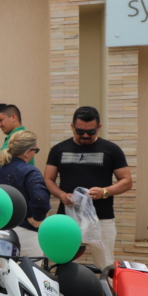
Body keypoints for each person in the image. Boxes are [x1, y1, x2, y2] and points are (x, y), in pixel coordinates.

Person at [44, 106, 132, 270]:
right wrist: (62, 195)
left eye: (91, 132)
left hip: (102, 218)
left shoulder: (111, 150)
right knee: (64, 263)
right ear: (72, 127)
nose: (85, 135)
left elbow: (127, 181)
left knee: (106, 266)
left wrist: (105, 192)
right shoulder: (58, 150)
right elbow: (48, 179)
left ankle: (106, 289)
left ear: (99, 127)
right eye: (80, 131)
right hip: (68, 219)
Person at [0, 130, 51, 258]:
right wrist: (37, 219)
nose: (34, 154)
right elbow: (40, 198)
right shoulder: (30, 171)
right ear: (27, 152)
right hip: (25, 232)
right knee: (28, 270)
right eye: (35, 150)